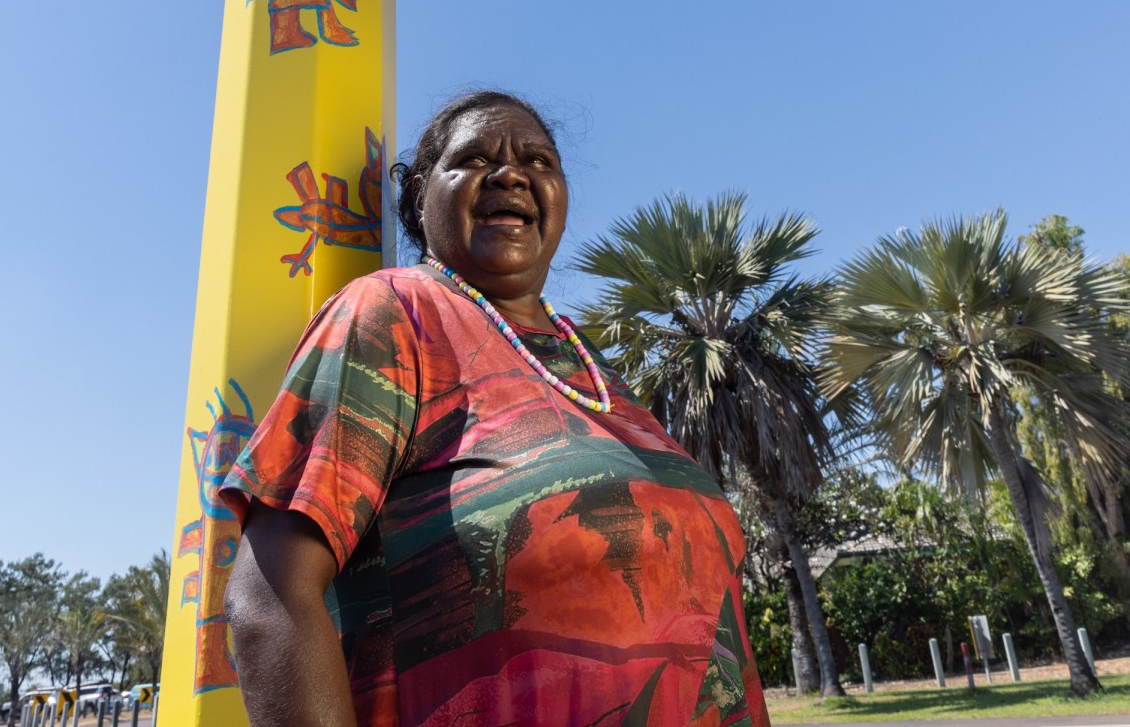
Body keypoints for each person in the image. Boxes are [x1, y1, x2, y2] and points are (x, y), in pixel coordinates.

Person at [221, 91, 770, 727]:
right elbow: (270, 597)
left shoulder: (589, 365)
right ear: (422, 197)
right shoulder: (394, 316)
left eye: (538, 160)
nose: (510, 173)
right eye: (475, 158)